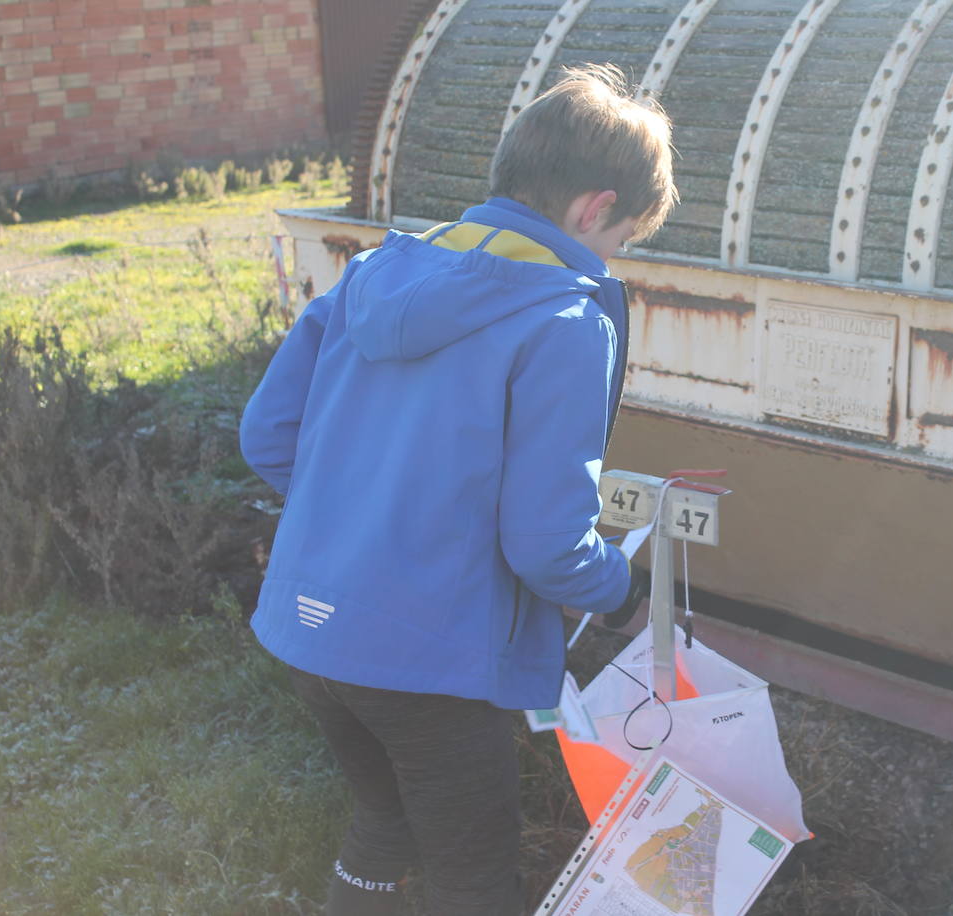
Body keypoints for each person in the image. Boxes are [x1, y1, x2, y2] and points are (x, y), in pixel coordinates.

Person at [238, 64, 676, 915]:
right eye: (620, 237)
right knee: (474, 878)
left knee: (384, 826)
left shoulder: (374, 272)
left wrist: (364, 511)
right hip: (427, 655)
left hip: (311, 632)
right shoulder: (564, 321)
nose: (610, 256)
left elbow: (266, 436)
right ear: (593, 209)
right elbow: (544, 541)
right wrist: (621, 589)